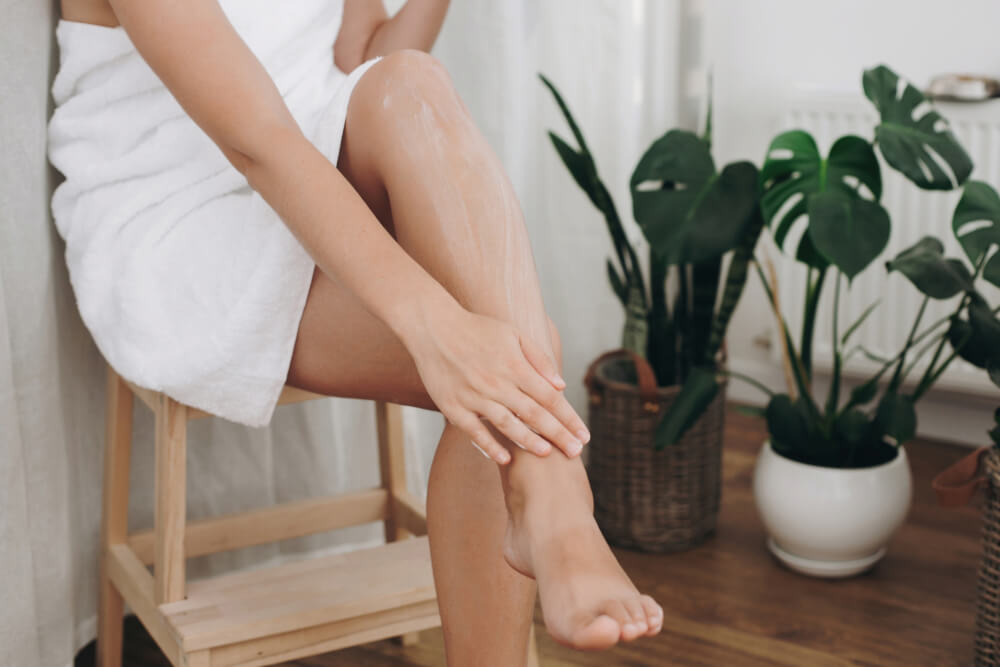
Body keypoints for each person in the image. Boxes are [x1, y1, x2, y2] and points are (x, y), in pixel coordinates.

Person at [50, 0, 663, 662]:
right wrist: (433, 326)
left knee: (411, 81)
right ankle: (555, 496)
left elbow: (359, 63)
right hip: (176, 223)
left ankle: (547, 498)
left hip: (305, 172)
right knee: (513, 343)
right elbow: (255, 138)